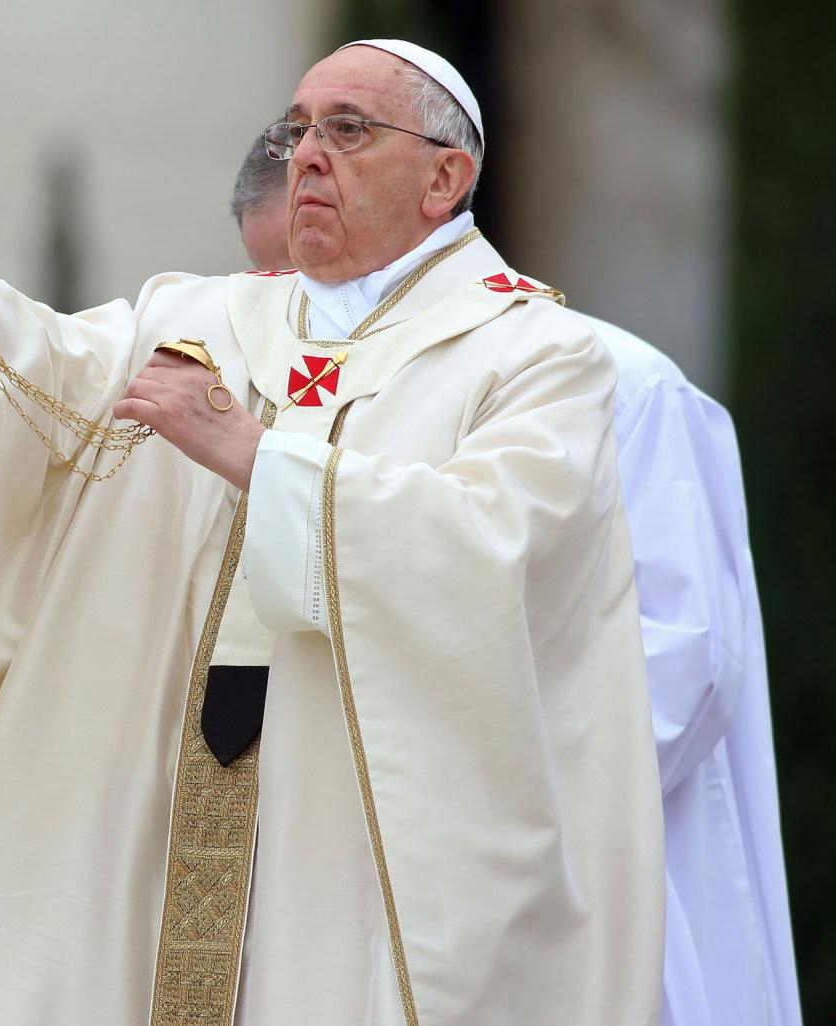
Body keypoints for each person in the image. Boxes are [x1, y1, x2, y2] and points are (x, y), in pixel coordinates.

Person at [0, 39, 664, 1025]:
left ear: (445, 178)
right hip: (148, 783)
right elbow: (45, 392)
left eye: (349, 129)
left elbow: (494, 551)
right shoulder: (198, 313)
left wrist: (255, 456)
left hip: (343, 824)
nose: (308, 155)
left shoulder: (538, 355)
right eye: (297, 129)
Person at [232, 133, 802, 1025]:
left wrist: (422, 750)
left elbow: (684, 660)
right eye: (267, 286)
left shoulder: (613, 378)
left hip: (559, 869)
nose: (293, 316)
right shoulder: (294, 388)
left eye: (301, 282)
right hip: (341, 864)